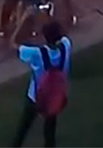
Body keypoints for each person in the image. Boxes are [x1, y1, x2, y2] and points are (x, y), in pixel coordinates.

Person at [12, 18, 73, 147]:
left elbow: (13, 43)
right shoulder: (66, 46)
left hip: (35, 97)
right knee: (50, 132)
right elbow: (65, 31)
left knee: (23, 129)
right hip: (55, 97)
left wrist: (24, 19)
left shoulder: (37, 53)